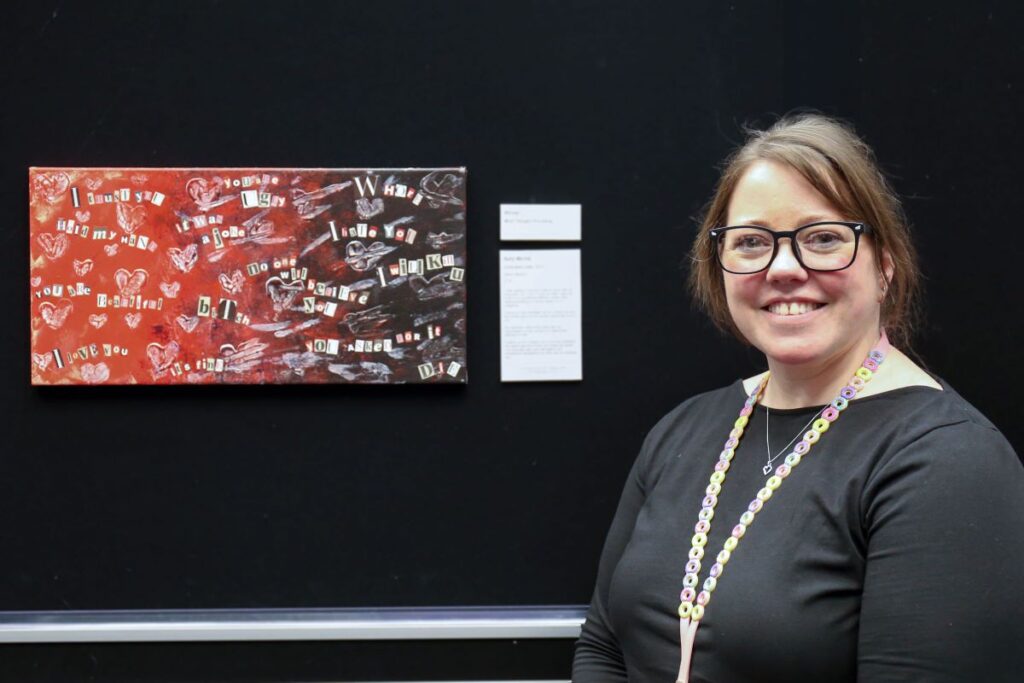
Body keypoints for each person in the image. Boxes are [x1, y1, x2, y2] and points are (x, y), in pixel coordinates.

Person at [572, 113, 1024, 682]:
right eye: (753, 242)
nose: (784, 268)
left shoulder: (949, 463)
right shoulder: (682, 430)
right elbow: (603, 648)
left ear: (884, 265)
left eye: (824, 238)